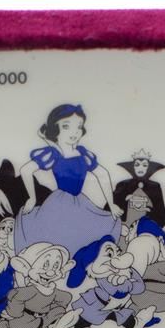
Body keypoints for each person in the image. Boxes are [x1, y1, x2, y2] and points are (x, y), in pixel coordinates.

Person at [14, 104, 122, 256]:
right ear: (55, 129)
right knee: (57, 233)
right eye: (66, 126)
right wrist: (32, 198)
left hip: (81, 203)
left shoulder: (83, 154)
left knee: (82, 234)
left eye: (79, 126)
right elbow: (26, 170)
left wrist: (111, 204)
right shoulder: (53, 154)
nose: (74, 132)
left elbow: (103, 174)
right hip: (59, 203)